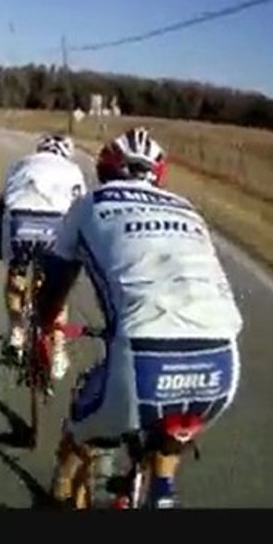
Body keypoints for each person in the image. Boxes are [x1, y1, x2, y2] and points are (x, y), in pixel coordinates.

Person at [33, 127, 243, 508]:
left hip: (142, 362)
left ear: (104, 170)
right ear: (157, 175)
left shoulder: (90, 204)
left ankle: (59, 493)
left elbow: (57, 281)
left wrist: (45, 325)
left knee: (81, 431)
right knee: (170, 431)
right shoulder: (186, 208)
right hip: (223, 362)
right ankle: (161, 495)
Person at [0, 132, 88, 382]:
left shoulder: (22, 164)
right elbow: (82, 210)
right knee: (57, 293)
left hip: (19, 219)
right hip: (55, 226)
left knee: (16, 277)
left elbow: (1, 207)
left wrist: (6, 256)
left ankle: (16, 333)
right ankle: (58, 352)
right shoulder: (73, 169)